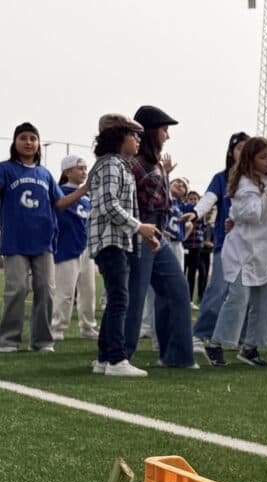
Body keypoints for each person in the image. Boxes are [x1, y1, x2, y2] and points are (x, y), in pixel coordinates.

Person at [0, 123, 86, 354]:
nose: (28, 142)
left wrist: (85, 189)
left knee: (46, 291)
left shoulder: (45, 174)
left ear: (38, 144)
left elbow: (59, 203)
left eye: (33, 138)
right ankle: (8, 340)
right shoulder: (6, 169)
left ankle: (41, 341)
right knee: (17, 289)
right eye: (23, 138)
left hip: (44, 242)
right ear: (15, 142)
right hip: (16, 242)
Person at [86, 113, 160, 377]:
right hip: (110, 241)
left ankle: (104, 358)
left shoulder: (120, 166)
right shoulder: (111, 166)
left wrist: (142, 233)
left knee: (117, 298)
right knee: (119, 299)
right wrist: (139, 227)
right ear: (119, 137)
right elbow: (109, 205)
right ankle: (117, 359)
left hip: (118, 240)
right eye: (133, 135)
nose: (138, 140)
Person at [123, 105, 197, 368]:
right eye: (164, 130)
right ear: (152, 131)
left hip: (158, 233)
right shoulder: (134, 164)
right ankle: (119, 355)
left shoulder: (153, 164)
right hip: (141, 231)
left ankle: (177, 356)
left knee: (177, 289)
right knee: (135, 293)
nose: (167, 136)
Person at [203, 137, 267, 367]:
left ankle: (250, 347)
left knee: (264, 301)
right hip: (243, 253)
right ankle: (215, 344)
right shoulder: (245, 184)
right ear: (251, 159)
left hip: (264, 253)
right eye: (263, 157)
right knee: (238, 299)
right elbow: (254, 214)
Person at [182, 132, 250, 352]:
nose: (243, 152)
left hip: (253, 246)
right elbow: (209, 199)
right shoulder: (222, 178)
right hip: (226, 245)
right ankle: (200, 335)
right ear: (231, 152)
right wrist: (195, 212)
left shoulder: (258, 178)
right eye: (239, 148)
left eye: (247, 148)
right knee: (218, 289)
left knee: (247, 293)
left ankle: (239, 338)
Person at [51, 154, 98, 342]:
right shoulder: (58, 191)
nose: (84, 172)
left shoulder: (87, 197)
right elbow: (60, 208)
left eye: (86, 168)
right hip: (67, 247)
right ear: (67, 171)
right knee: (65, 292)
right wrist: (85, 189)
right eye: (80, 168)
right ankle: (57, 327)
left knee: (88, 292)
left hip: (86, 248)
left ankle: (88, 326)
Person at [182, 190, 209, 306]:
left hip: (197, 247)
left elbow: (203, 228)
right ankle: (182, 297)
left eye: (195, 199)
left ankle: (189, 299)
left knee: (192, 273)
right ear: (186, 200)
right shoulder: (184, 210)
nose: (193, 202)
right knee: (182, 271)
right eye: (190, 199)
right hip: (185, 246)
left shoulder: (201, 214)